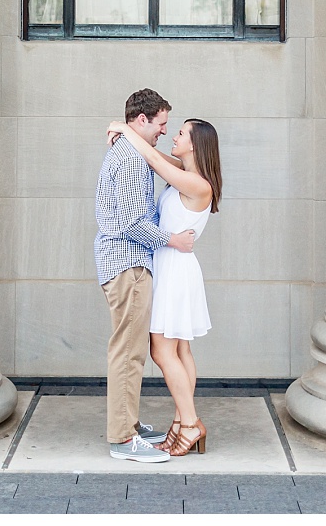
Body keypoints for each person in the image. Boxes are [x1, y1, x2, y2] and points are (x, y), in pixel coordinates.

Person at [105, 115, 221, 458]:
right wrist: (131, 133)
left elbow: (153, 160)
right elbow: (157, 159)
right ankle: (180, 421)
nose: (173, 135)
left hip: (177, 271)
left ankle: (189, 423)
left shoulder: (199, 185)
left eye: (181, 133)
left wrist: (125, 129)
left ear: (195, 145)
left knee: (161, 351)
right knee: (181, 351)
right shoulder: (187, 175)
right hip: (172, 266)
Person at [94, 88, 196, 463]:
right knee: (129, 353)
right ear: (143, 120)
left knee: (131, 350)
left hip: (124, 264)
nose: (163, 133)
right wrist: (174, 240)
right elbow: (135, 222)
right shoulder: (133, 159)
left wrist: (121, 127)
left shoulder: (129, 149)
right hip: (130, 266)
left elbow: (175, 166)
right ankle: (123, 440)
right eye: (161, 125)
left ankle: (130, 426)